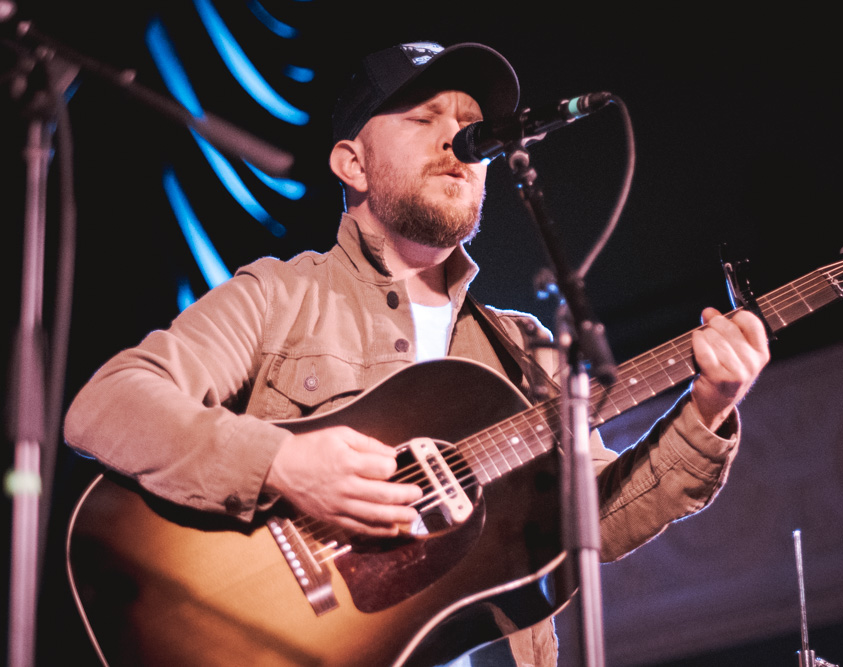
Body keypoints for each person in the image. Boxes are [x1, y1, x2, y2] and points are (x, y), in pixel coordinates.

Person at [64, 41, 769, 667]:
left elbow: (600, 522)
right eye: (422, 118)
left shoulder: (526, 350)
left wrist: (707, 408)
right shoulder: (281, 295)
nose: (457, 138)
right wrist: (281, 461)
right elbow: (106, 405)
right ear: (353, 161)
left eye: (469, 125)